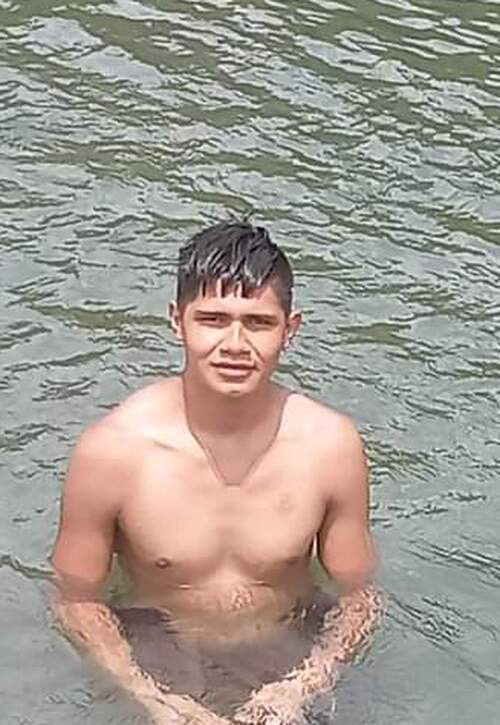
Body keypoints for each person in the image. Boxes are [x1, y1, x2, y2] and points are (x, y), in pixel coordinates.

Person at [51, 219, 381, 725]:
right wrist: (156, 701)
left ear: (290, 330)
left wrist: (304, 685)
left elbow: (359, 596)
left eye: (258, 323)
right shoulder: (112, 453)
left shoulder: (329, 447)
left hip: (290, 651)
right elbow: (77, 601)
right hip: (160, 656)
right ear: (177, 321)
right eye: (212, 319)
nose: (234, 344)